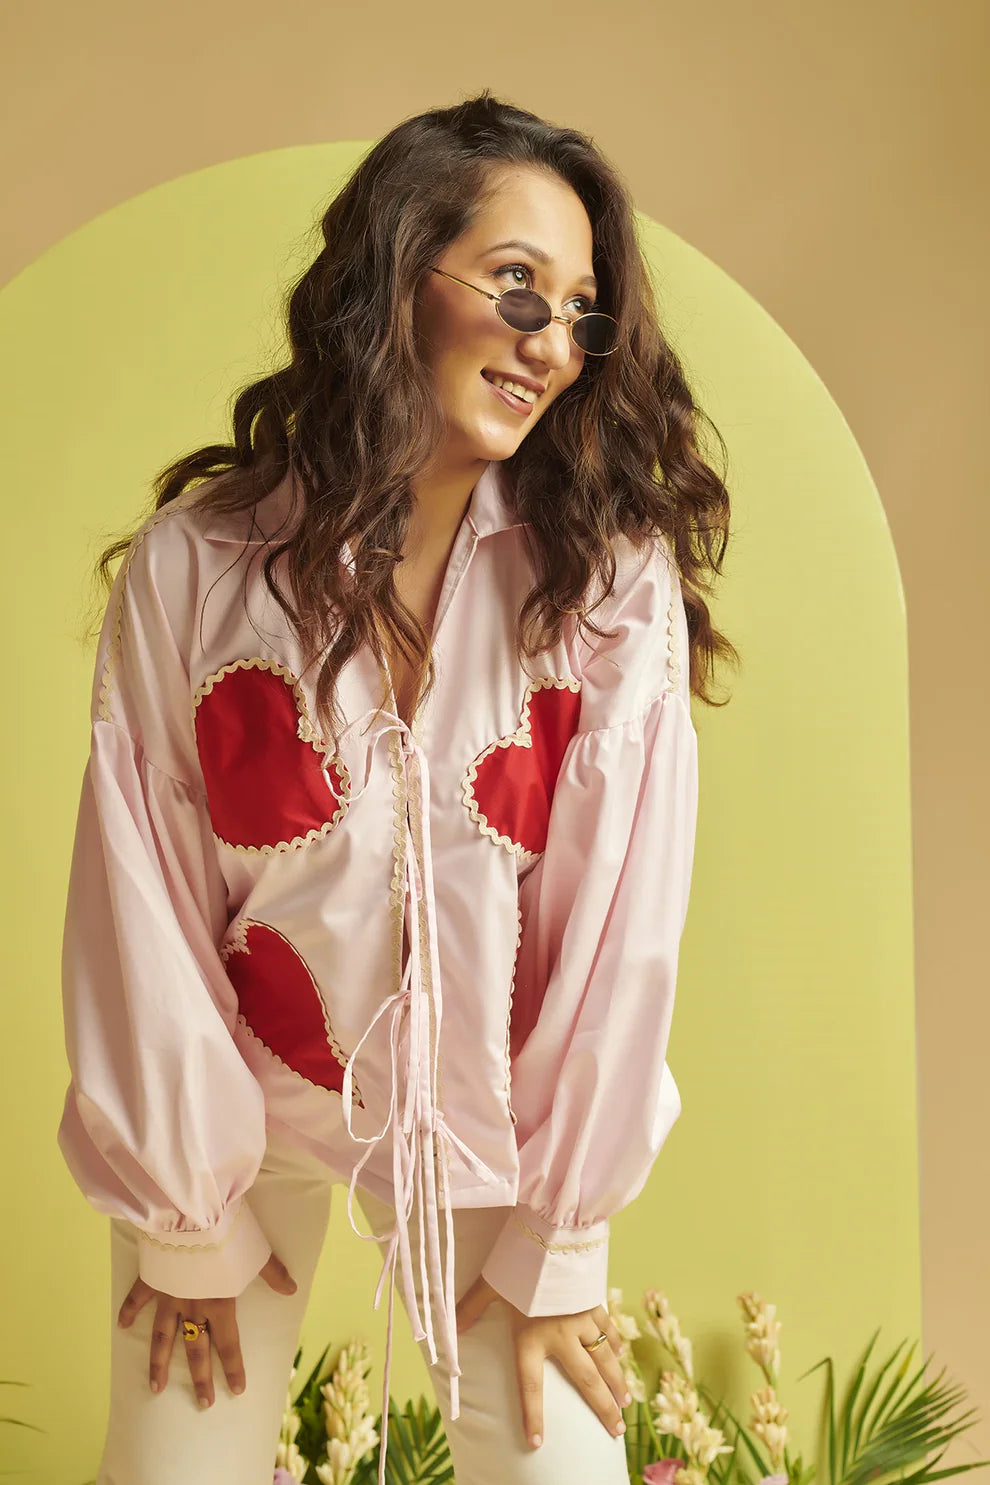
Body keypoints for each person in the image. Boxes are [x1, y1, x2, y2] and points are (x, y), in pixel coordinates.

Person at [57, 90, 735, 1485]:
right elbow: (144, 887)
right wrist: (184, 1222)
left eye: (581, 312)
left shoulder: (604, 586)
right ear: (396, 271)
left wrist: (560, 1234)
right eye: (516, 285)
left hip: (493, 1114)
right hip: (239, 1104)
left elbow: (621, 924)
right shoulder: (198, 565)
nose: (551, 342)